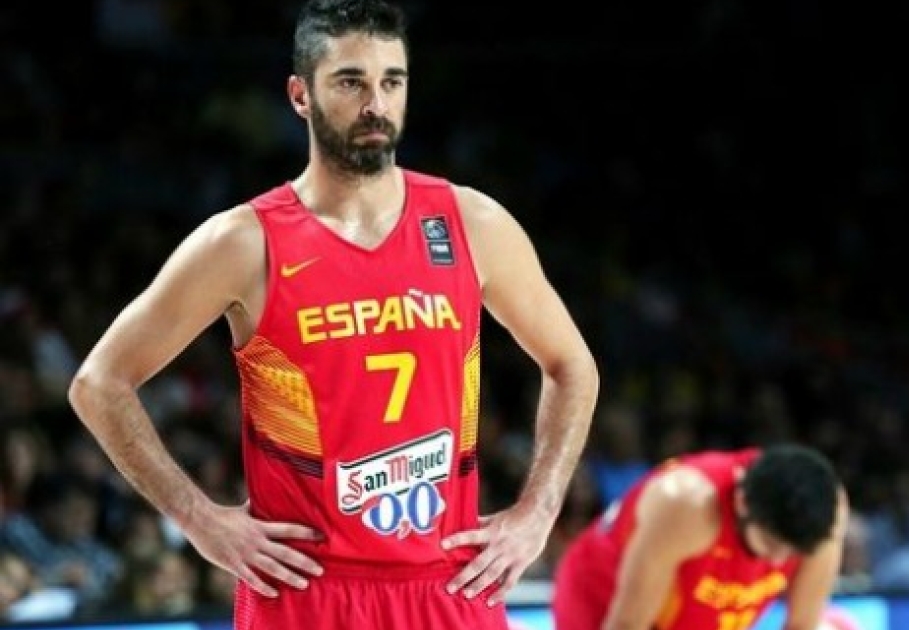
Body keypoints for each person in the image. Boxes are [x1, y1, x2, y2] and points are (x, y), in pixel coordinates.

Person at [66, 0, 600, 628]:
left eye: (392, 82)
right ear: (301, 95)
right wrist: (199, 520)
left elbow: (573, 366)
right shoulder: (243, 242)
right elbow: (98, 383)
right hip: (307, 592)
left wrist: (538, 512)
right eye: (351, 82)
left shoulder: (471, 223)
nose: (376, 103)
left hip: (449, 586)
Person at [552, 443, 849, 630]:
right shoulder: (687, 504)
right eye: (772, 545)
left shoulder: (826, 513)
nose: (778, 561)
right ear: (741, 504)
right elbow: (627, 624)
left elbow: (802, 624)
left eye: (792, 552)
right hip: (604, 597)